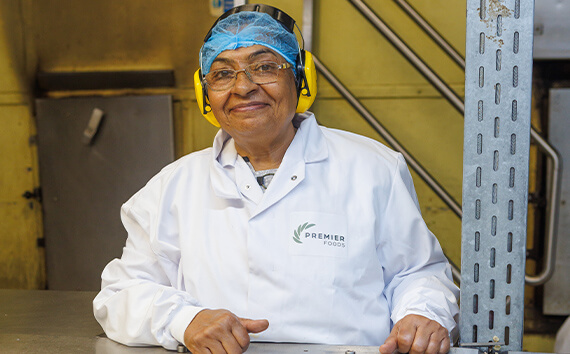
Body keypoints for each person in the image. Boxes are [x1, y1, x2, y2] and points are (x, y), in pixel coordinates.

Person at [93, 4, 459, 354]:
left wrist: (422, 314)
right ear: (205, 93)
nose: (243, 87)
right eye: (222, 74)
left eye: (265, 66)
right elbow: (121, 294)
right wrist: (184, 320)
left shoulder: (374, 168)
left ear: (301, 78)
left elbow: (417, 272)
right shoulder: (171, 187)